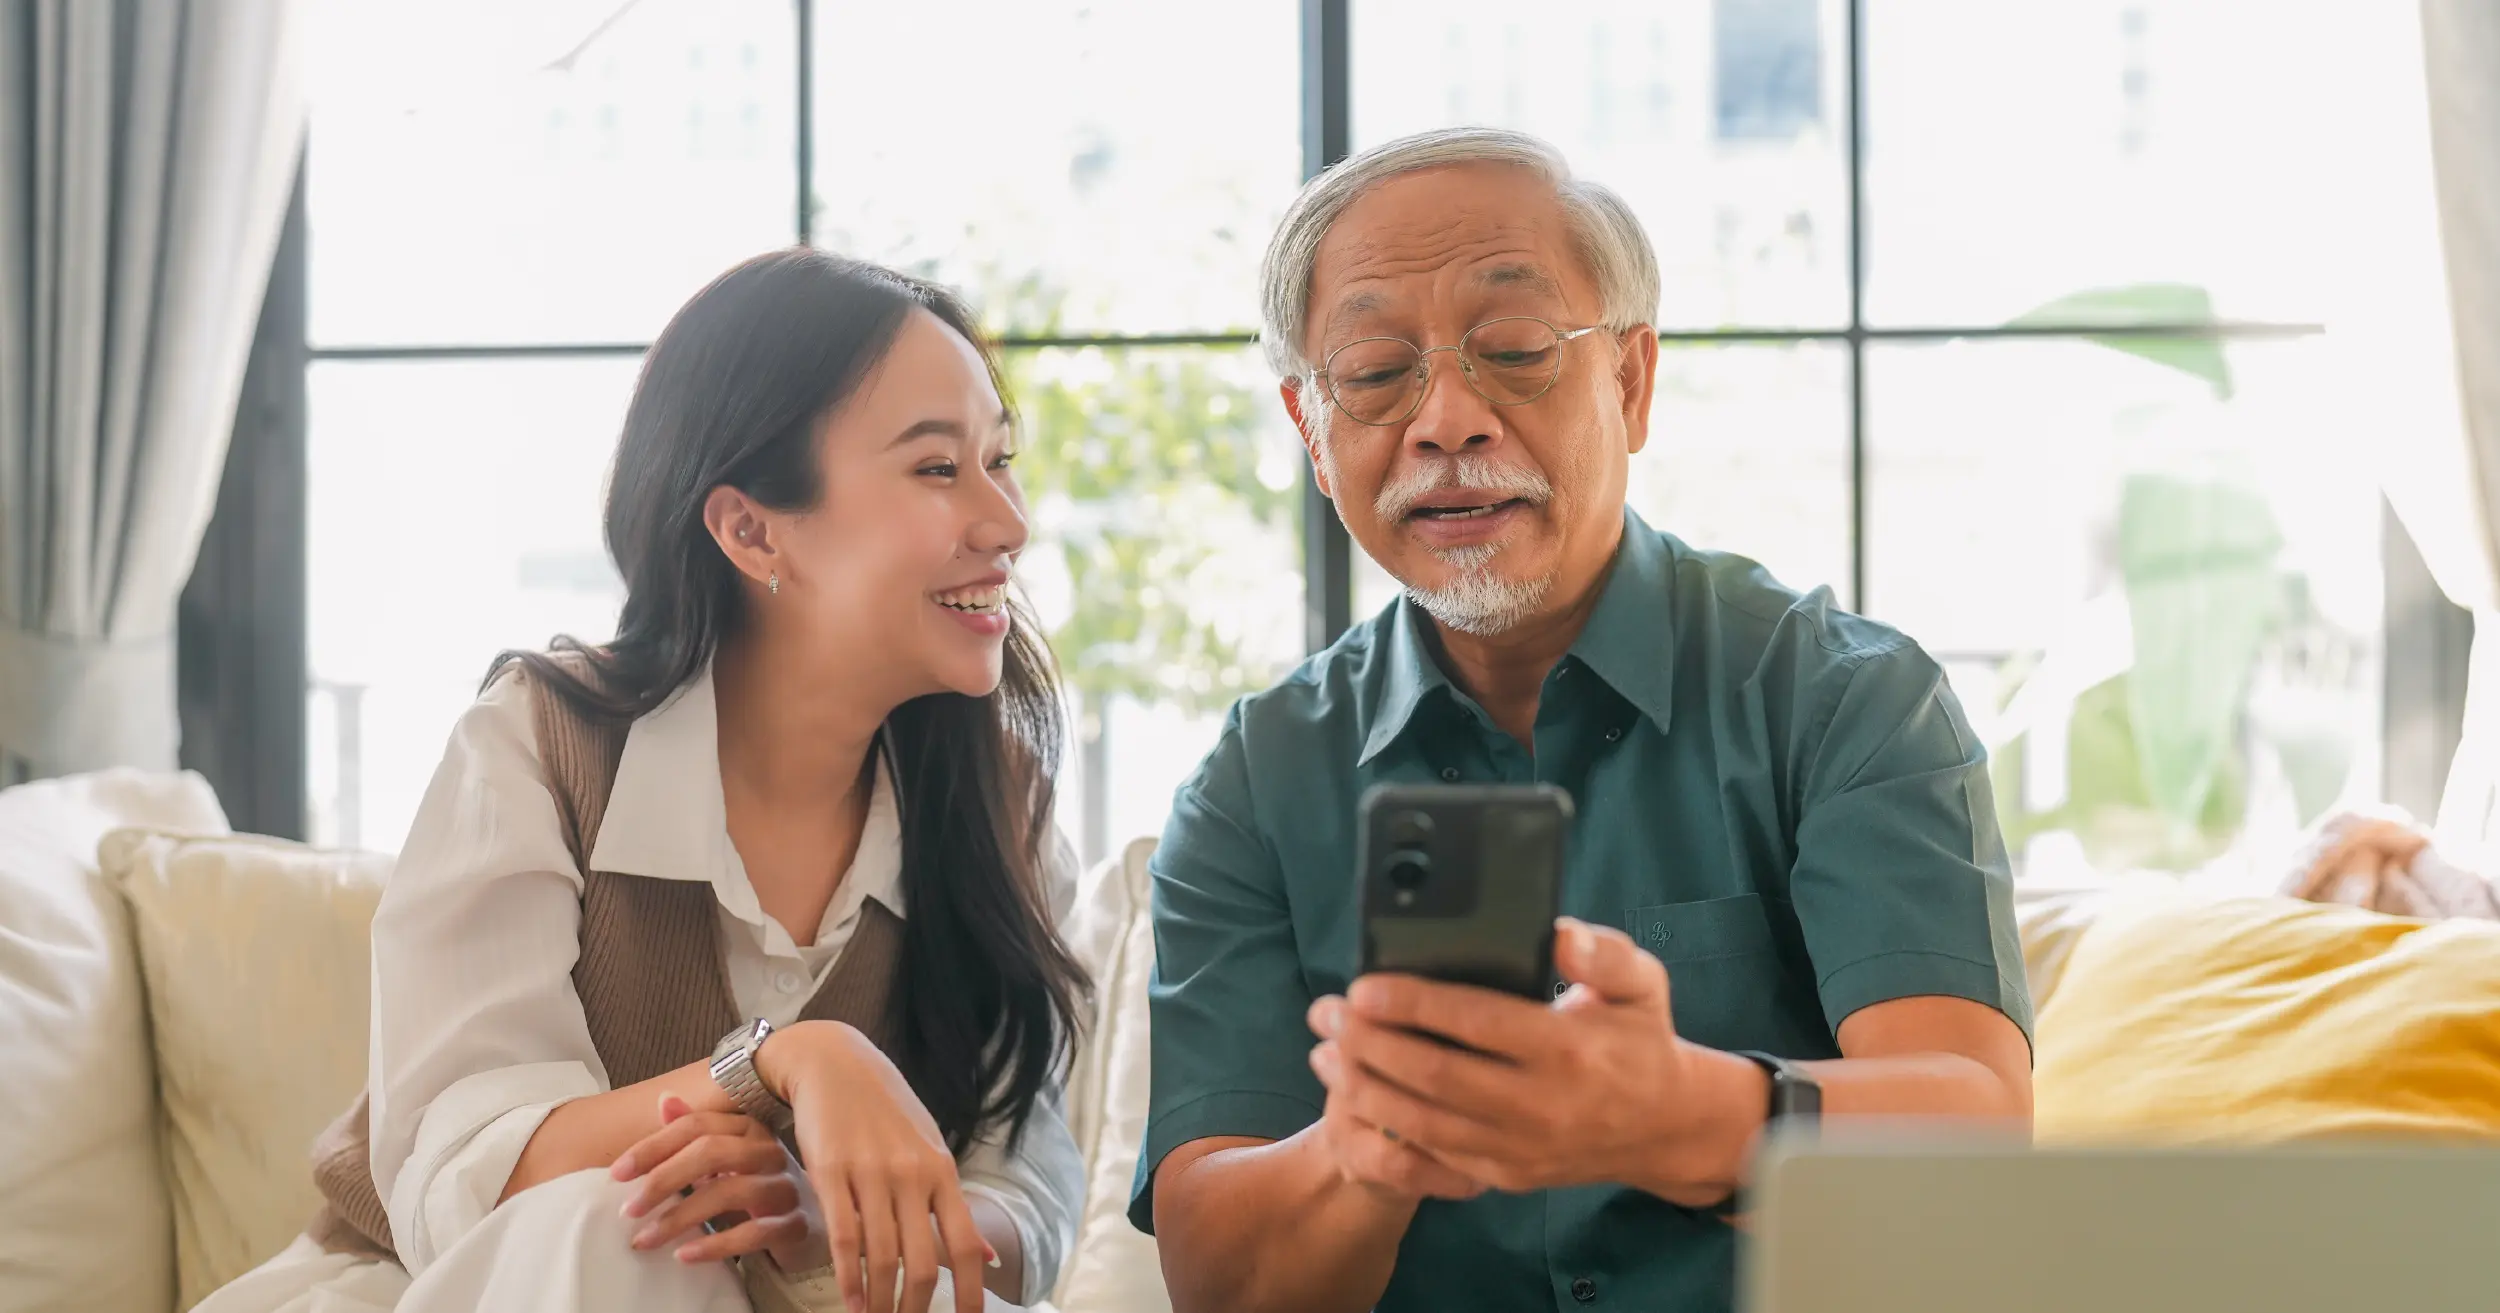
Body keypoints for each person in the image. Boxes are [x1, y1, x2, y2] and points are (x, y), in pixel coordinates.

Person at [1132, 127, 2037, 1313]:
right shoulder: (1255, 782)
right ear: (1310, 429)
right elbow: (1220, 1279)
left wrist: (1681, 1111)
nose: (1446, 419)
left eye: (1513, 351)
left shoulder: (1843, 696)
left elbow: (1976, 1131)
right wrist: (1365, 1146)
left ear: (1630, 379)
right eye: (1371, 373)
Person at [197, 250, 1088, 1313]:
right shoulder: (541, 744)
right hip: (461, 1289)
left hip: (791, 1300)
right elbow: (475, 1172)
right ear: (750, 528)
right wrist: (789, 1062)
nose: (1008, 521)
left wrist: (817, 1216)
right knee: (617, 1222)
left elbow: (1025, 1207)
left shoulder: (1002, 805)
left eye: (1000, 459)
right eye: (939, 469)